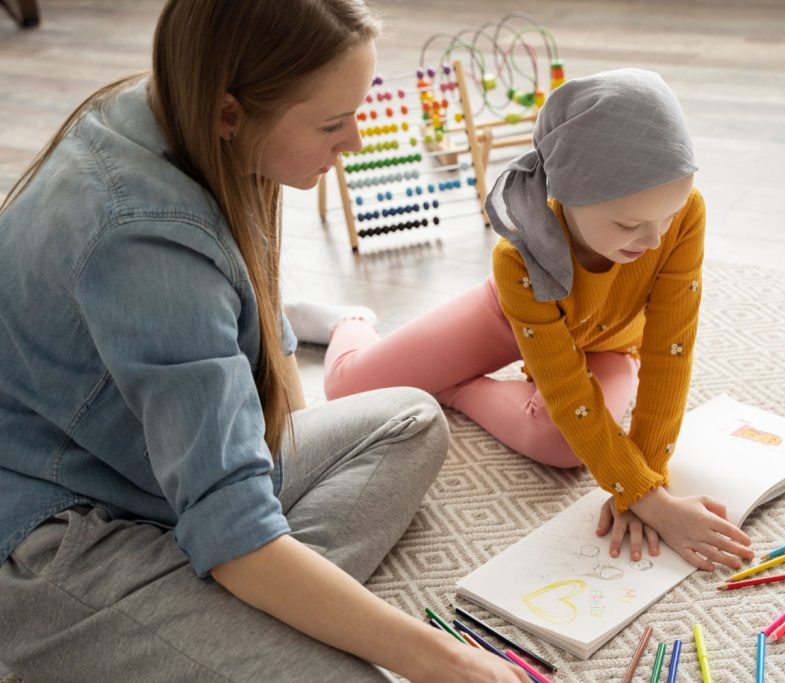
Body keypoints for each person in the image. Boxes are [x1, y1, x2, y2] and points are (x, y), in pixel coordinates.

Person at [0, 1, 529, 681]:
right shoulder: (144, 240)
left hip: (142, 474)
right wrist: (445, 658)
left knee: (412, 419)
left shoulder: (180, 115)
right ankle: (176, 626)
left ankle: (199, 624)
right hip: (53, 541)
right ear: (231, 113)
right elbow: (234, 524)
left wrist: (249, 529)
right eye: (334, 123)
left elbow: (264, 366)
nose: (355, 143)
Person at [287, 69, 756, 573]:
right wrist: (645, 496)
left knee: (562, 446)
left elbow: (670, 351)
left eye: (668, 217)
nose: (655, 239)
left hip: (610, 343)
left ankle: (452, 388)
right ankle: (347, 322)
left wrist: (644, 484)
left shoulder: (682, 217)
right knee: (346, 389)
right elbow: (562, 382)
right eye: (628, 225)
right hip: (508, 318)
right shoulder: (517, 258)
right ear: (569, 193)